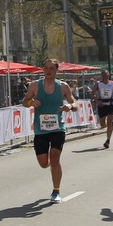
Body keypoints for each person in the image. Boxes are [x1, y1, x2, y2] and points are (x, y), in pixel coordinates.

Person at [24, 59, 80, 202]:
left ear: (56, 70)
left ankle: (56, 191)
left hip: (58, 128)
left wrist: (70, 106)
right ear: (43, 70)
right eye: (46, 68)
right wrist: (31, 102)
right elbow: (25, 102)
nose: (48, 71)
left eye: (51, 68)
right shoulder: (35, 85)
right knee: (44, 163)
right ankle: (52, 165)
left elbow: (75, 104)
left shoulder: (63, 86)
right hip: (40, 129)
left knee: (55, 158)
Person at [92, 70, 113, 149]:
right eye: (103, 75)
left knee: (109, 122)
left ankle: (108, 141)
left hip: (111, 103)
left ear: (109, 75)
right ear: (101, 76)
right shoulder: (98, 84)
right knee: (102, 125)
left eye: (106, 74)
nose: (105, 76)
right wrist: (97, 101)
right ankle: (111, 125)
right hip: (102, 104)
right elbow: (92, 94)